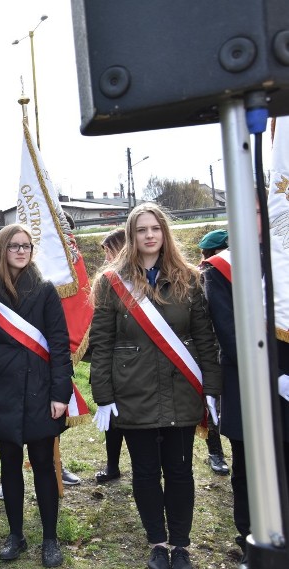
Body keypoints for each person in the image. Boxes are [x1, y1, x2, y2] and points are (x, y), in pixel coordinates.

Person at [90, 203, 221, 569]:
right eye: (142, 229)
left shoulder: (190, 279)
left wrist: (212, 388)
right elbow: (102, 344)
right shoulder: (110, 283)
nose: (149, 235)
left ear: (165, 233)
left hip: (181, 391)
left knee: (180, 471)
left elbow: (204, 339)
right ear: (131, 236)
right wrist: (103, 396)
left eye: (156, 228)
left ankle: (180, 545)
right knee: (146, 472)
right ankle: (158, 544)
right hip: (134, 393)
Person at [0, 224, 71, 567]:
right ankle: (16, 535)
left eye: (26, 246)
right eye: (14, 246)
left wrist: (60, 393)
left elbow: (58, 345)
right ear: (1, 250)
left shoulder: (44, 291)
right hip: (1, 394)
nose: (22, 251)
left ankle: (50, 539)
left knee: (43, 465)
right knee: (9, 465)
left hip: (41, 393)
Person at [202, 220, 289, 565]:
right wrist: (276, 376)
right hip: (246, 381)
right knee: (249, 468)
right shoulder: (221, 267)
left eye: (261, 209)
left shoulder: (283, 259)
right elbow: (230, 334)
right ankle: (251, 542)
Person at [196, 229, 231, 476]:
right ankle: (215, 452)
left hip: (235, 347)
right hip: (212, 349)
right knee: (213, 404)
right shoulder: (202, 276)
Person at [94, 228, 127, 484]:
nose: (106, 257)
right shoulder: (106, 280)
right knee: (112, 420)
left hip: (133, 359)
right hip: (111, 361)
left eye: (109, 251)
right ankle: (112, 466)